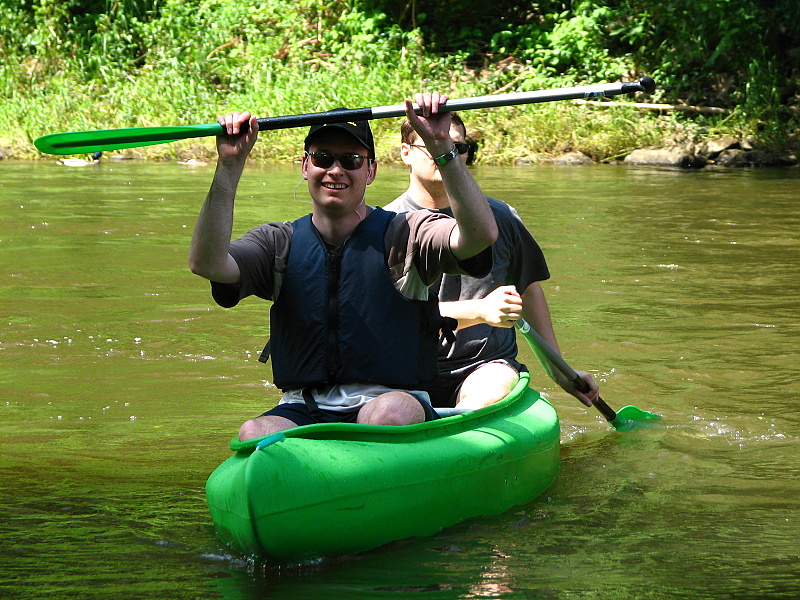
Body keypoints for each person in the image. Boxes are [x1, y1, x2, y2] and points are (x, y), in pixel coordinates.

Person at [188, 92, 498, 441]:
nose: (335, 170)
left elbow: (479, 235)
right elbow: (207, 263)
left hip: (391, 401)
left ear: (371, 171)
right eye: (323, 158)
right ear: (305, 166)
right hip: (304, 405)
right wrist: (229, 165)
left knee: (389, 414)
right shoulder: (278, 243)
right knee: (254, 431)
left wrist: (442, 146)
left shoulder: (408, 234)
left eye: (351, 160)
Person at [384, 112, 599, 410]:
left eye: (456, 147)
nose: (446, 154)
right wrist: (481, 310)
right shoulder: (383, 226)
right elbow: (385, 320)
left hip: (484, 367)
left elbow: (528, 288)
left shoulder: (501, 218)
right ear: (406, 153)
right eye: (432, 145)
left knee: (483, 397)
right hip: (405, 370)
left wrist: (559, 370)